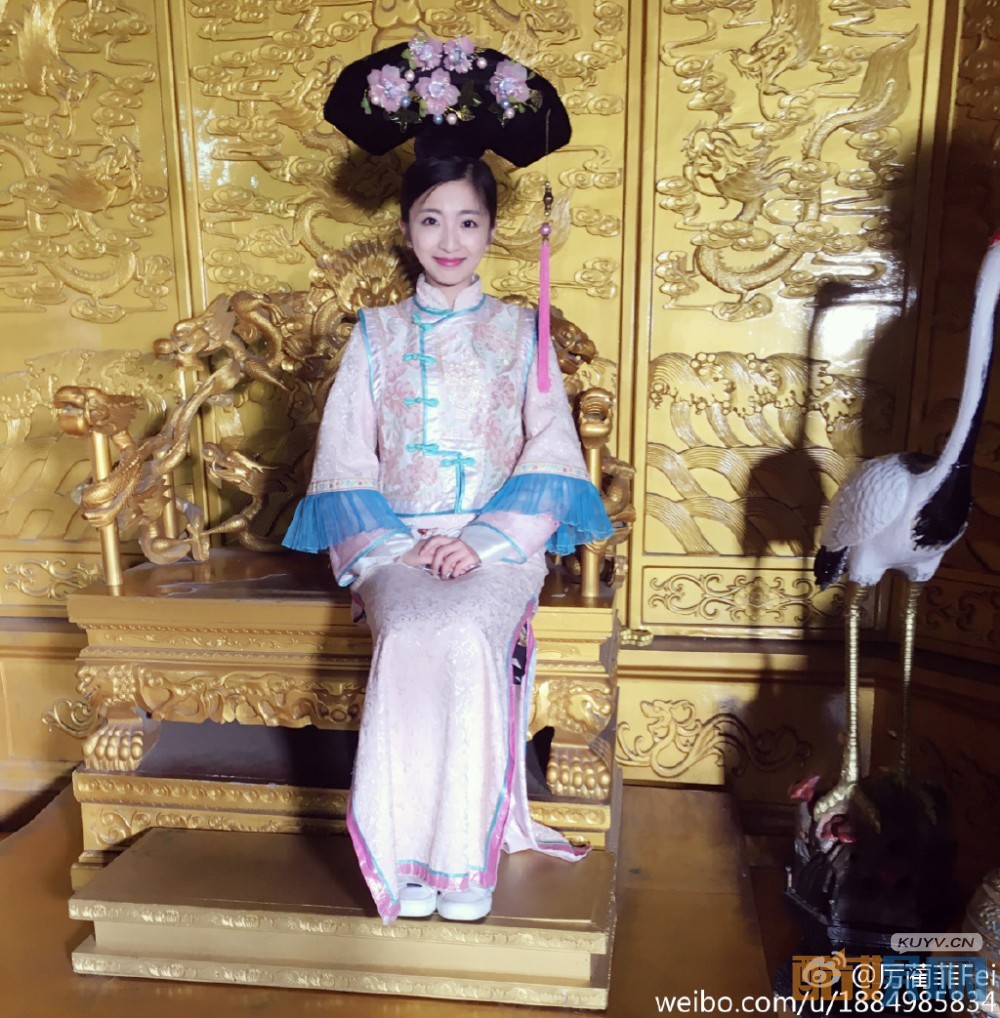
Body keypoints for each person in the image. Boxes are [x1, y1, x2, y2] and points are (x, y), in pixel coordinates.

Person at [283, 36, 614, 925]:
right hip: (395, 546)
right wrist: (399, 545)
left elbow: (552, 451)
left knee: (465, 632)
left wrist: (482, 542)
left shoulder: (519, 331)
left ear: (492, 230)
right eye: (431, 221)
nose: (450, 240)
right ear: (405, 230)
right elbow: (345, 457)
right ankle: (406, 857)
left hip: (498, 547)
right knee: (411, 630)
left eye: (468, 222)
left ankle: (462, 862)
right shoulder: (375, 334)